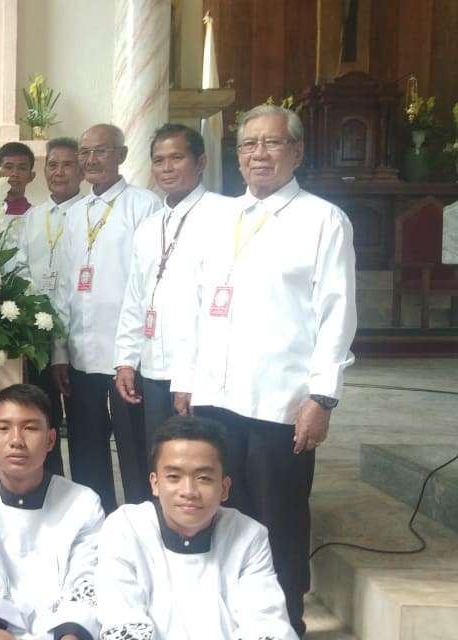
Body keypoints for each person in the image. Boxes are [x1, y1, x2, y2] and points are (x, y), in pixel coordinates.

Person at [171, 104, 357, 634]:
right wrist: (187, 379)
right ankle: (227, 620)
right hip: (215, 398)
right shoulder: (216, 216)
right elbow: (195, 303)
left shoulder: (322, 220)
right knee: (221, 517)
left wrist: (321, 397)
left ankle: (284, 625)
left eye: (272, 143)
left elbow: (338, 313)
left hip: (280, 405)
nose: (258, 153)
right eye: (249, 143)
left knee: (279, 525)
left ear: (296, 152)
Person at [95, 416, 298, 639]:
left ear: (224, 488)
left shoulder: (248, 536)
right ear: (155, 483)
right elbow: (120, 618)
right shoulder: (125, 529)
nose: (189, 491)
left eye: (203, 478)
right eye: (173, 477)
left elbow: (266, 623)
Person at [51, 124, 161, 512]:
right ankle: (94, 522)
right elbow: (65, 286)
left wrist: (130, 355)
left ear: (122, 154)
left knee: (134, 449)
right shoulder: (76, 214)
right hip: (82, 352)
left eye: (101, 151)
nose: (91, 160)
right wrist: (60, 353)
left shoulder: (144, 205)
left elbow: (148, 285)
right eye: (85, 152)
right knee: (85, 448)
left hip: (126, 355)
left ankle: (139, 522)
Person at [0, 384, 103, 640]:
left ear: (51, 439)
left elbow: (84, 580)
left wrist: (69, 636)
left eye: (30, 428)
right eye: (3, 428)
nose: (16, 440)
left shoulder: (82, 503)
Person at [113, 124, 232, 454]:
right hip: (152, 366)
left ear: (201, 162)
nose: (166, 168)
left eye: (176, 158)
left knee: (199, 460)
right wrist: (125, 360)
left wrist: (188, 377)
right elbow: (135, 298)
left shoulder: (224, 215)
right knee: (162, 458)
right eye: (159, 160)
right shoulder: (150, 226)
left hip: (199, 373)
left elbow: (216, 309)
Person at [4, 137, 86, 476]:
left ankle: (87, 491)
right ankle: (50, 484)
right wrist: (33, 302)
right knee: (43, 418)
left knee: (84, 428)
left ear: (81, 170)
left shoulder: (88, 213)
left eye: (67, 164)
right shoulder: (34, 217)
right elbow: (19, 264)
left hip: (81, 333)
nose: (59, 171)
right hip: (40, 334)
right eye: (53, 164)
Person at [0, 142, 36, 216]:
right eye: (8, 167)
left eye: (22, 168)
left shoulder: (38, 216)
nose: (15, 174)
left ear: (31, 176)